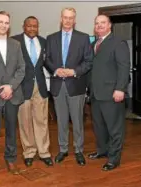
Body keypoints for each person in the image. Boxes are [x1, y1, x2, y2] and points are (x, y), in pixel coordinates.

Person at [45, 7, 93, 166]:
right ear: (61, 18)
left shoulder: (83, 38)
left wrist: (74, 71)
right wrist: (55, 69)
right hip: (58, 85)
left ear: (74, 20)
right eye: (65, 17)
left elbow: (88, 61)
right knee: (61, 120)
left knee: (78, 120)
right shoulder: (51, 38)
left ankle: (79, 150)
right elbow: (47, 59)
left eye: (71, 18)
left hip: (76, 84)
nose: (67, 20)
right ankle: (63, 149)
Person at [88, 14, 130, 171]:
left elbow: (124, 67)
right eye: (97, 23)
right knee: (99, 127)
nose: (99, 25)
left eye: (103, 23)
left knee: (115, 128)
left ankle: (114, 159)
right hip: (96, 94)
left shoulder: (118, 42)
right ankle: (102, 151)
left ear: (109, 25)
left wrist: (120, 89)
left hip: (112, 93)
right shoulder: (94, 43)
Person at [0, 11, 25, 175]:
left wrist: (11, 87)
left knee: (11, 129)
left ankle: (10, 160)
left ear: (9, 25)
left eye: (6, 22)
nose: (3, 25)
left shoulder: (15, 44)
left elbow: (22, 68)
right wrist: (0, 88)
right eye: (0, 22)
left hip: (13, 94)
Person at [11, 16, 53, 167]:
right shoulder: (14, 41)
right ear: (24, 26)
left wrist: (59, 71)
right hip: (22, 88)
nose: (32, 29)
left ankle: (44, 152)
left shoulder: (43, 41)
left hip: (40, 87)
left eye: (35, 26)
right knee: (25, 122)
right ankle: (29, 152)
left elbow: (47, 63)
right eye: (29, 26)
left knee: (41, 120)